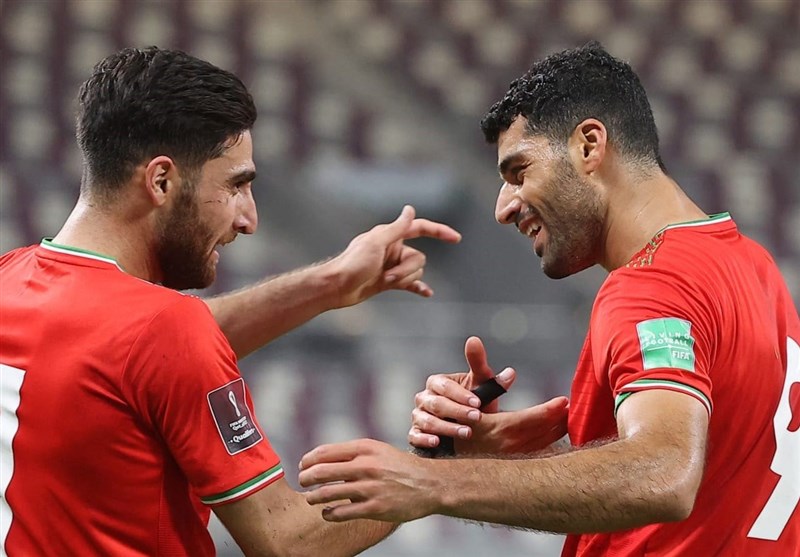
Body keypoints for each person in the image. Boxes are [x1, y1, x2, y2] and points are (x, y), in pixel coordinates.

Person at [297, 42, 800, 556]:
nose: (503, 208)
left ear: (589, 146)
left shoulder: (653, 285)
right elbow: (710, 477)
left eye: (519, 172)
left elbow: (663, 473)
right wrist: (495, 460)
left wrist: (429, 483)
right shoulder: (752, 265)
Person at [0, 46, 462, 556]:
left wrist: (331, 283)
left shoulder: (10, 281)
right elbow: (290, 542)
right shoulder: (165, 330)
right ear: (161, 181)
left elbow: (137, 353)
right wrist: (437, 466)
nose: (249, 219)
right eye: (236, 185)